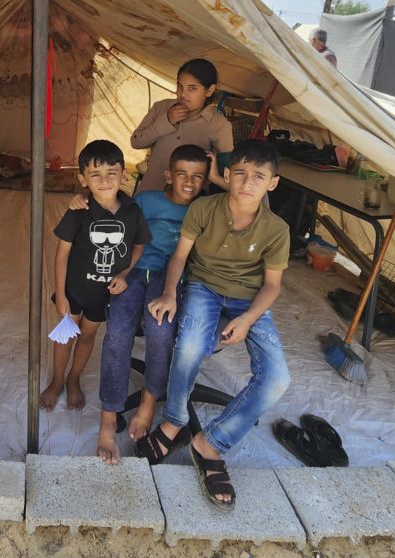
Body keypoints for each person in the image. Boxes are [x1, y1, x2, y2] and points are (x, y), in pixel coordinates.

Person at [140, 138, 291, 510]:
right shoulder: (205, 209)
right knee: (190, 346)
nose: (247, 182)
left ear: (272, 183)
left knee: (277, 378)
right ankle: (173, 421)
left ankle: (212, 443)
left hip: (250, 298)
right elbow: (179, 257)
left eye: (259, 176)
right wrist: (171, 292)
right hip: (204, 287)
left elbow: (273, 285)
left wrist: (247, 319)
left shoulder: (276, 229)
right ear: (225, 174)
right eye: (239, 173)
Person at [94, 144, 209, 464]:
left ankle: (147, 403)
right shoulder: (146, 200)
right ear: (168, 175)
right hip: (134, 270)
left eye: (198, 176)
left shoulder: (206, 209)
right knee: (117, 332)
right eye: (182, 174)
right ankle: (108, 416)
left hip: (172, 280)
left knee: (161, 330)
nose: (189, 182)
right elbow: (113, 215)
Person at [41, 140, 151, 413]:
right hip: (75, 290)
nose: (104, 181)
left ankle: (73, 378)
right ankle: (57, 381)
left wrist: (125, 273)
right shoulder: (78, 211)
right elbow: (61, 255)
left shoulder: (132, 211)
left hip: (103, 295)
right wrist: (61, 295)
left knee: (88, 337)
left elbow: (139, 245)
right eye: (95, 174)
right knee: (65, 336)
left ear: (123, 174)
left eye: (111, 173)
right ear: (83, 179)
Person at [130, 58, 233, 193]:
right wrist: (167, 121)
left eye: (192, 88)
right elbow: (136, 142)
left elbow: (226, 171)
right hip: (151, 192)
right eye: (180, 86)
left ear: (210, 90)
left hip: (190, 203)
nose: (183, 94)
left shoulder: (219, 124)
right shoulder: (161, 108)